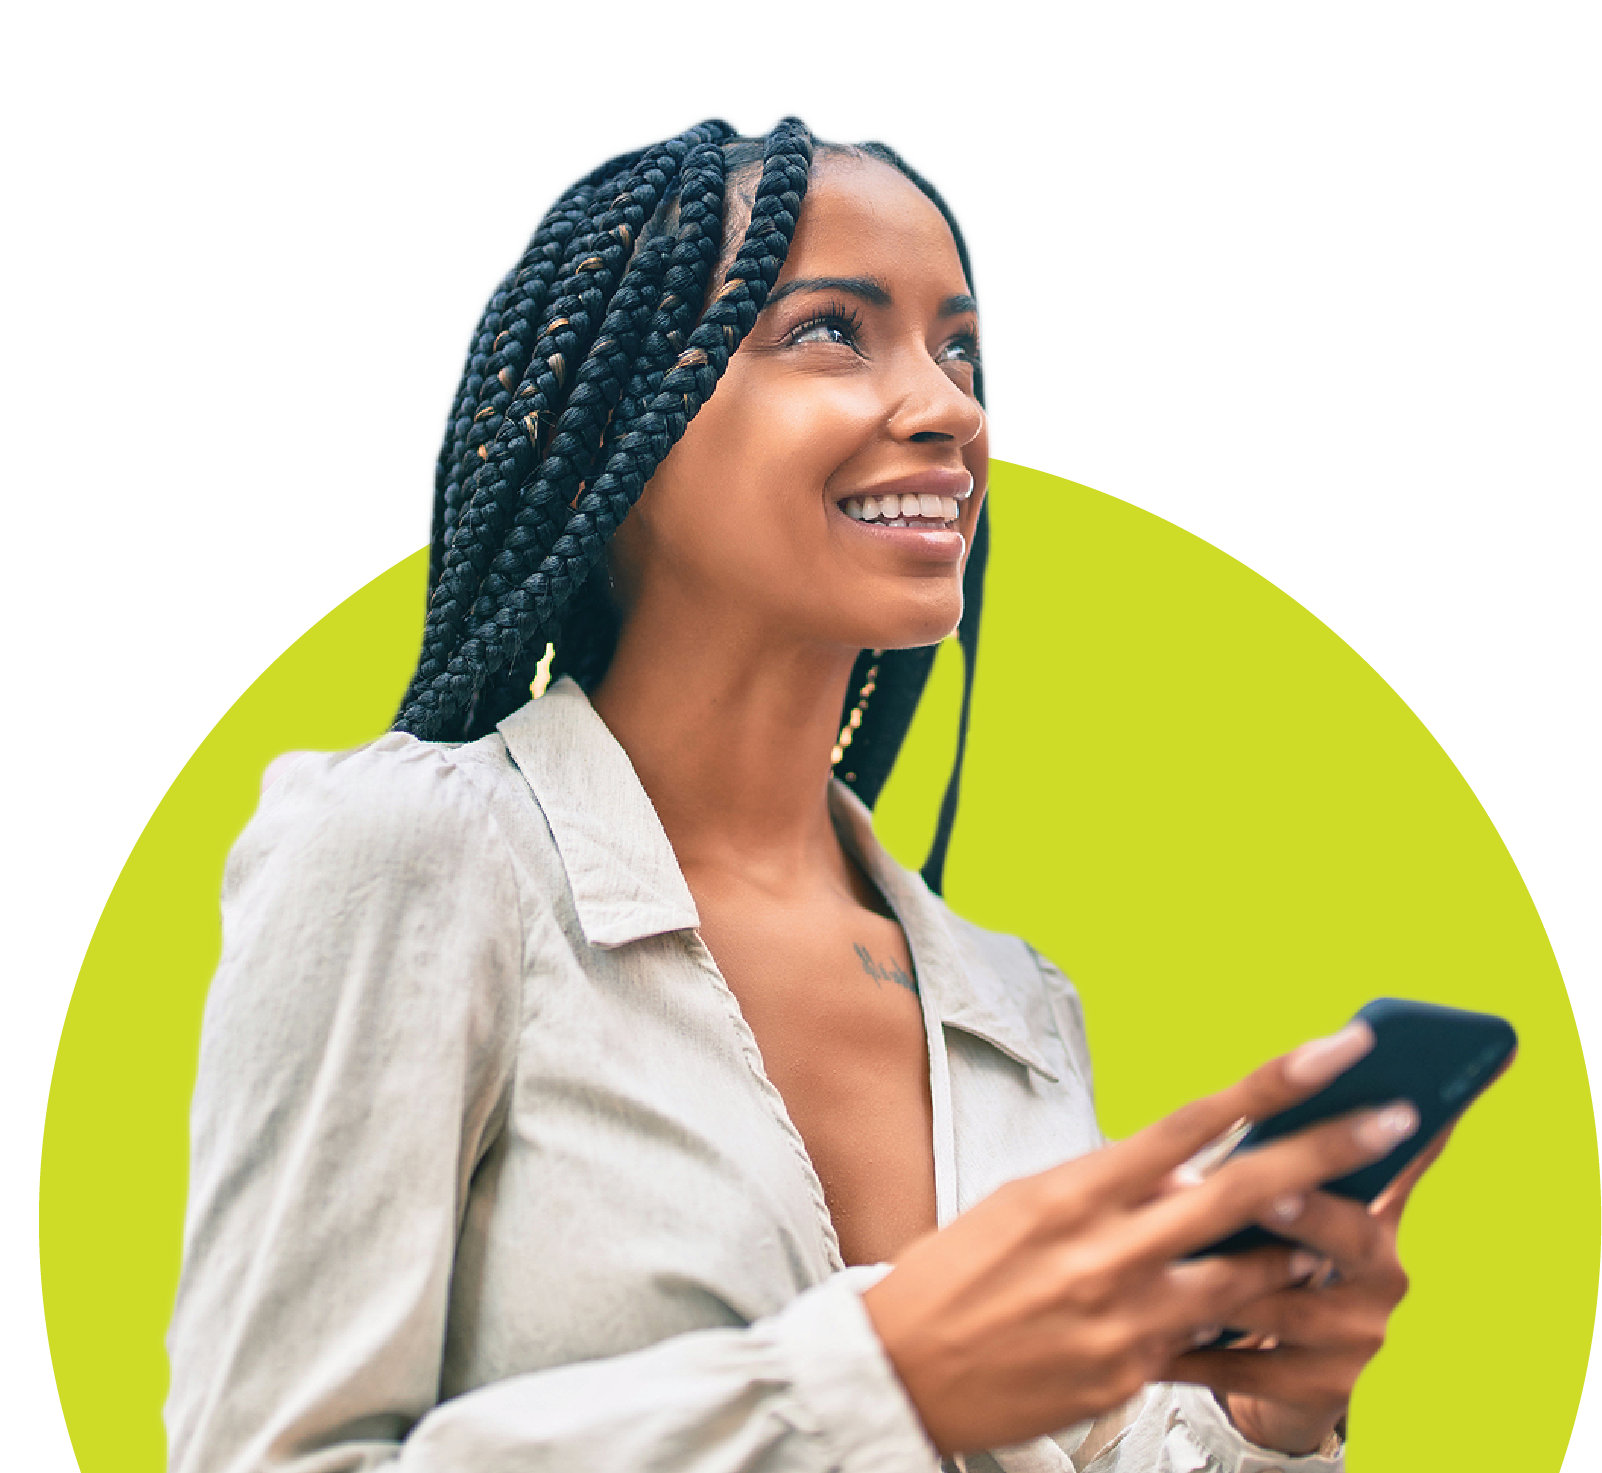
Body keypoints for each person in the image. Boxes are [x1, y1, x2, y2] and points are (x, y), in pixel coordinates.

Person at [165, 108, 1435, 1473]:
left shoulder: (1015, 1011)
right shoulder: (413, 851)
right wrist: (878, 1386)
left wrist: (1255, 1421)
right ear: (608, 427)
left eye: (960, 348)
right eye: (831, 328)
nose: (951, 407)